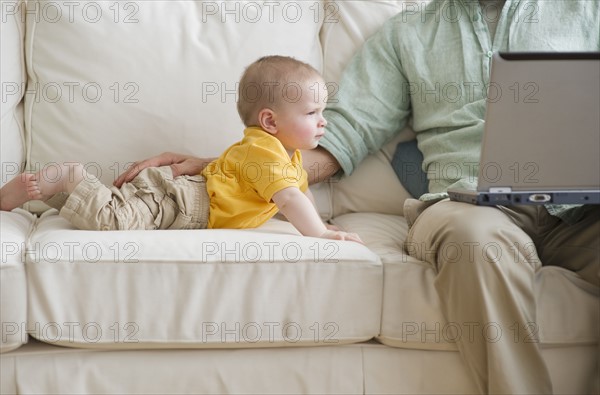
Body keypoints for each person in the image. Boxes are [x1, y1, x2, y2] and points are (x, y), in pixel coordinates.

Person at [103, 1, 600, 393]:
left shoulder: (586, 11)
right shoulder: (409, 34)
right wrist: (225, 165)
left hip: (583, 206)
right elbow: (337, 138)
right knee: (474, 241)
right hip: (470, 205)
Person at [0, 56, 362, 243]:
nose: (323, 121)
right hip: (186, 202)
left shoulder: (287, 157)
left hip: (186, 195)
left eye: (323, 112)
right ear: (270, 121)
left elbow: (299, 195)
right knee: (115, 222)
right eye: (312, 113)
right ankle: (71, 176)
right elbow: (289, 200)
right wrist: (320, 234)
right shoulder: (265, 151)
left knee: (109, 212)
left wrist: (321, 223)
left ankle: (46, 189)